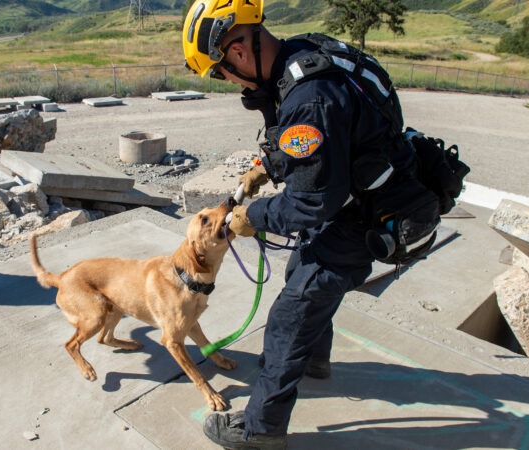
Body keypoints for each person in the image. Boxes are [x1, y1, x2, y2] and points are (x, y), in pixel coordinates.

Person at [182, 0, 418, 448]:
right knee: (304, 280)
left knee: (289, 316)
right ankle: (314, 361)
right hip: (362, 191)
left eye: (220, 71)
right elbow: (314, 143)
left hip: (364, 213)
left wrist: (253, 217)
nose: (227, 81)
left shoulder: (310, 99)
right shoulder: (302, 55)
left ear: (238, 51)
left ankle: (260, 432)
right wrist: (268, 164)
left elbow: (310, 205)